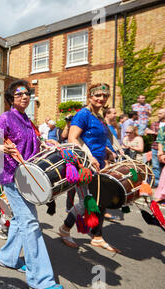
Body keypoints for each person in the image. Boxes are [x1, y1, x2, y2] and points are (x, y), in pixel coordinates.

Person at [0, 79, 64, 289]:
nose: (25, 96)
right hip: (12, 177)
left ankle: (8, 258)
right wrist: (3, 146)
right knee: (30, 223)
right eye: (20, 93)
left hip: (28, 177)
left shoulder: (27, 120)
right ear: (11, 98)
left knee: (20, 220)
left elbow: (32, 146)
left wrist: (47, 144)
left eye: (27, 93)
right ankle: (40, 279)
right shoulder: (4, 118)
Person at [58, 82, 120, 253]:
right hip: (84, 164)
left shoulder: (99, 118)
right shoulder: (83, 115)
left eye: (104, 96)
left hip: (99, 164)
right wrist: (90, 156)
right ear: (90, 96)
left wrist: (108, 151)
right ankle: (64, 229)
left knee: (101, 199)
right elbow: (72, 138)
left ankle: (97, 236)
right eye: (97, 95)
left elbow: (99, 140)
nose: (101, 98)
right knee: (87, 202)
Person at [146, 108, 165, 187]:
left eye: (160, 113)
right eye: (158, 113)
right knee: (155, 166)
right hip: (155, 147)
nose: (158, 115)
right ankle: (156, 183)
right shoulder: (154, 124)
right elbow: (152, 134)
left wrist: (154, 132)